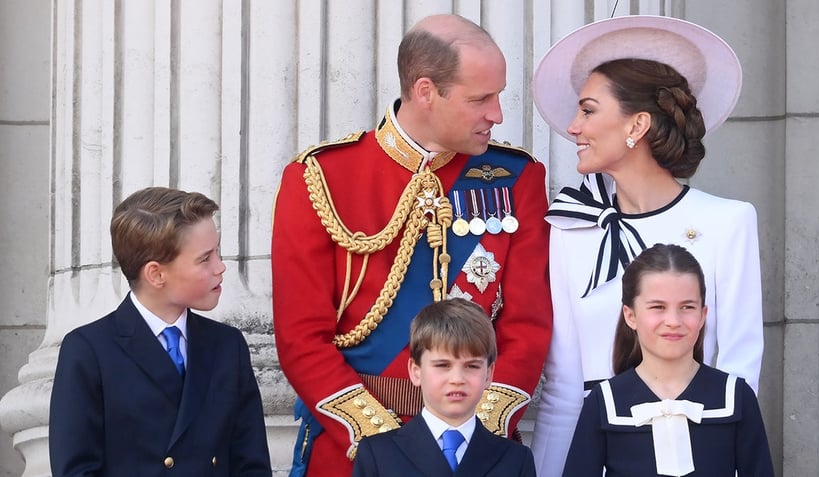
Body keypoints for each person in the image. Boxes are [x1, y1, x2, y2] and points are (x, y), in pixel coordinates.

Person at [272, 13, 552, 477]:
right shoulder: (320, 178)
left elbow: (527, 327)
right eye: (481, 98)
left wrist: (468, 434)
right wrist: (386, 444)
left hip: (474, 451)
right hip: (357, 448)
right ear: (425, 91)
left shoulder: (516, 177)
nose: (498, 114)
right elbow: (301, 338)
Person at [530, 15, 764, 476]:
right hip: (597, 455)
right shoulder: (570, 228)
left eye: (589, 110)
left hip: (700, 451)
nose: (574, 127)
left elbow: (739, 372)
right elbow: (561, 386)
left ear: (637, 123)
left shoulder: (728, 222)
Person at [49, 187, 272, 477]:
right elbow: (76, 470)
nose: (221, 267)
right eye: (205, 259)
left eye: (217, 252)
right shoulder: (89, 350)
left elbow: (251, 463)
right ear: (156, 274)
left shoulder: (227, 345)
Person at [562, 243, 774, 476]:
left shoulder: (736, 396)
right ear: (630, 315)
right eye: (658, 307)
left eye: (687, 307)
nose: (673, 320)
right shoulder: (604, 400)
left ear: (703, 315)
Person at [352, 298, 536, 476]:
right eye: (442, 365)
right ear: (416, 371)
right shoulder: (378, 454)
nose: (457, 379)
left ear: (488, 374)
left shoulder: (516, 459)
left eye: (471, 366)